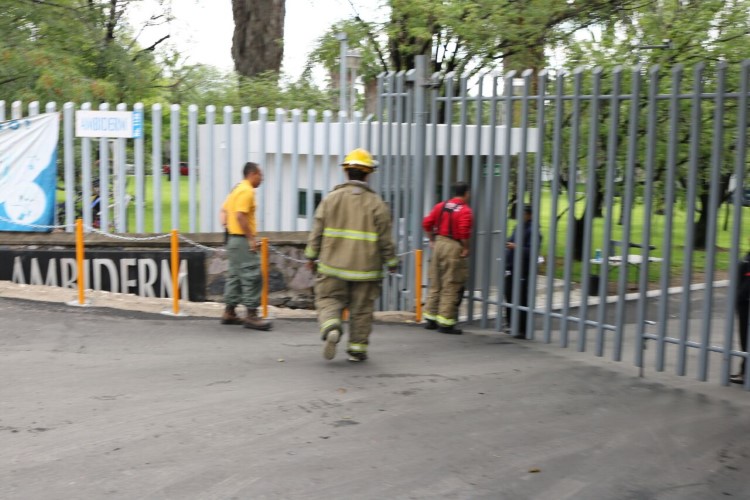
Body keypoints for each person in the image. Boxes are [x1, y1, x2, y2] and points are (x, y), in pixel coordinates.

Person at [305, 148, 398, 362]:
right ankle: (357, 349)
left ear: (346, 171)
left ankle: (331, 327)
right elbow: (385, 240)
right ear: (368, 174)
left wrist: (311, 256)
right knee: (362, 310)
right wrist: (392, 262)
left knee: (329, 299)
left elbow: (316, 231)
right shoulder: (377, 204)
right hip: (366, 271)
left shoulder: (330, 199)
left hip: (332, 267)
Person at [220, 162, 272, 331]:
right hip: (242, 240)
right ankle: (251, 316)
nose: (262, 178)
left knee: (235, 276)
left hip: (233, 240)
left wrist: (228, 229)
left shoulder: (236, 190)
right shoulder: (247, 191)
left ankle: (229, 312)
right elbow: (240, 215)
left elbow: (224, 211)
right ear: (253, 174)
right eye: (260, 175)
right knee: (253, 275)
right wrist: (250, 239)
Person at [422, 182, 473, 335]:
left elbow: (426, 223)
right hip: (453, 246)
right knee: (451, 284)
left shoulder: (441, 206)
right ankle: (445, 323)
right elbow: (464, 232)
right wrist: (466, 248)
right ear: (466, 193)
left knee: (436, 282)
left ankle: (430, 318)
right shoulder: (465, 210)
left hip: (439, 243)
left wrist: (432, 239)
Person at [504, 204, 540, 339]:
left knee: (521, 298)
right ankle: (512, 324)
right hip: (512, 266)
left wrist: (516, 247)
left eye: (523, 213)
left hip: (523, 269)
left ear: (530, 215)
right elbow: (511, 240)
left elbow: (532, 251)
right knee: (509, 294)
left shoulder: (533, 231)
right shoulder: (519, 227)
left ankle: (522, 329)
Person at [732, 250, 750, 384]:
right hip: (744, 301)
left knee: (746, 338)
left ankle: (745, 373)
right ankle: (744, 371)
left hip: (746, 302)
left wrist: (740, 296)